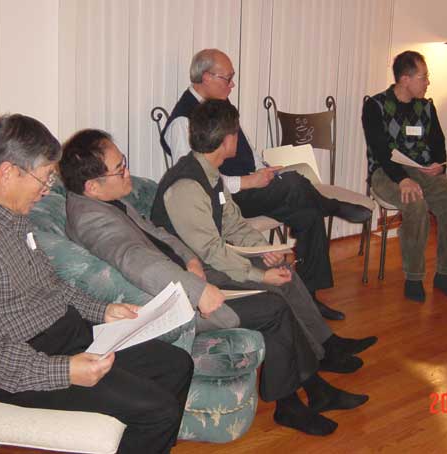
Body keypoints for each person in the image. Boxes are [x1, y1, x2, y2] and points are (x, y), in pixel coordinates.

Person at [59, 128, 369, 436]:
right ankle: (292, 405)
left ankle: (314, 390)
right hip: (174, 305)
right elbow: (137, 260)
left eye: (123, 161)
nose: (127, 171)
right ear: (92, 186)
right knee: (273, 308)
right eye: (120, 168)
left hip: (185, 277)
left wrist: (190, 260)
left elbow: (158, 234)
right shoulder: (92, 220)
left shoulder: (106, 201)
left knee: (276, 297)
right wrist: (198, 291)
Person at [0, 114, 193, 454]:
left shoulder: (9, 215)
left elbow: (50, 285)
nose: (47, 188)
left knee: (177, 365)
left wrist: (102, 310)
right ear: (8, 172)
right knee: (158, 412)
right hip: (25, 364)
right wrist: (64, 372)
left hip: (65, 334)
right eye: (44, 177)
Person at [152, 99, 379, 374]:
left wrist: (265, 250)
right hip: (194, 275)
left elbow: (234, 224)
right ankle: (317, 357)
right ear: (227, 140)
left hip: (212, 259)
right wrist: (260, 275)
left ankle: (328, 344)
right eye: (236, 132)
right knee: (275, 285)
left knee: (282, 270)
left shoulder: (210, 174)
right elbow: (211, 251)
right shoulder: (187, 186)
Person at [161, 48, 372, 321]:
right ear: (206, 77)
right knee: (295, 183)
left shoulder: (221, 108)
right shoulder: (183, 122)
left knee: (307, 211)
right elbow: (195, 179)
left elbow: (249, 151)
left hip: (250, 189)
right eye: (228, 78)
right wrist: (248, 181)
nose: (233, 85)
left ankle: (309, 296)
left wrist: (264, 170)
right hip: (225, 200)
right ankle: (331, 205)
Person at [362, 50, 447, 303]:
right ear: (405, 79)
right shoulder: (375, 106)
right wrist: (403, 179)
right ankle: (414, 277)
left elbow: (438, 142)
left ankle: (445, 274)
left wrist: (438, 164)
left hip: (421, 170)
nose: (428, 82)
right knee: (415, 204)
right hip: (386, 172)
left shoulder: (426, 106)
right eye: (423, 77)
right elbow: (380, 151)